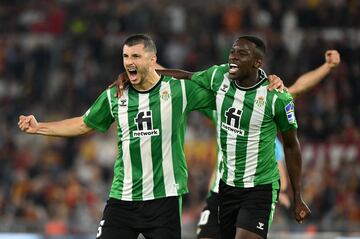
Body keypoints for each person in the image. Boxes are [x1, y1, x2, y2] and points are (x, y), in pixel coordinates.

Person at [18, 34, 220, 239]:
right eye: (125, 56)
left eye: (136, 56)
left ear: (152, 60)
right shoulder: (115, 95)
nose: (129, 62)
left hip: (164, 199)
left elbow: (223, 93)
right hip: (123, 198)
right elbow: (83, 124)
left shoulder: (179, 90)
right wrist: (39, 127)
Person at [152, 35, 310, 239]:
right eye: (232, 52)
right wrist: (144, 72)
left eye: (242, 54)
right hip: (226, 186)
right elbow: (187, 76)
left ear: (257, 62)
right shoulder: (219, 77)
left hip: (260, 187)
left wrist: (297, 196)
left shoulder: (277, 98)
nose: (233, 57)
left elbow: (291, 145)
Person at [196, 49, 340, 239]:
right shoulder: (220, 104)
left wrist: (327, 67)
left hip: (253, 196)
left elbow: (297, 88)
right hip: (220, 193)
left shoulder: (268, 105)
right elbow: (181, 82)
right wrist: (150, 66)